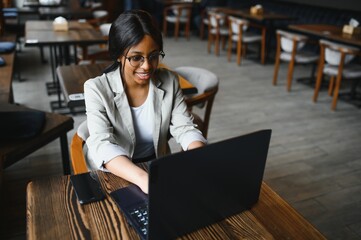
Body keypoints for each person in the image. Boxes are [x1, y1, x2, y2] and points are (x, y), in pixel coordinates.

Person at [84, 10, 207, 194]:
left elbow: (184, 128)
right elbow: (102, 145)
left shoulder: (170, 81)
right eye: (136, 58)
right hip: (115, 170)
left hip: (156, 165)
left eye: (153, 55)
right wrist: (144, 179)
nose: (147, 66)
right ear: (119, 55)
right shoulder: (96, 88)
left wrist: (199, 156)